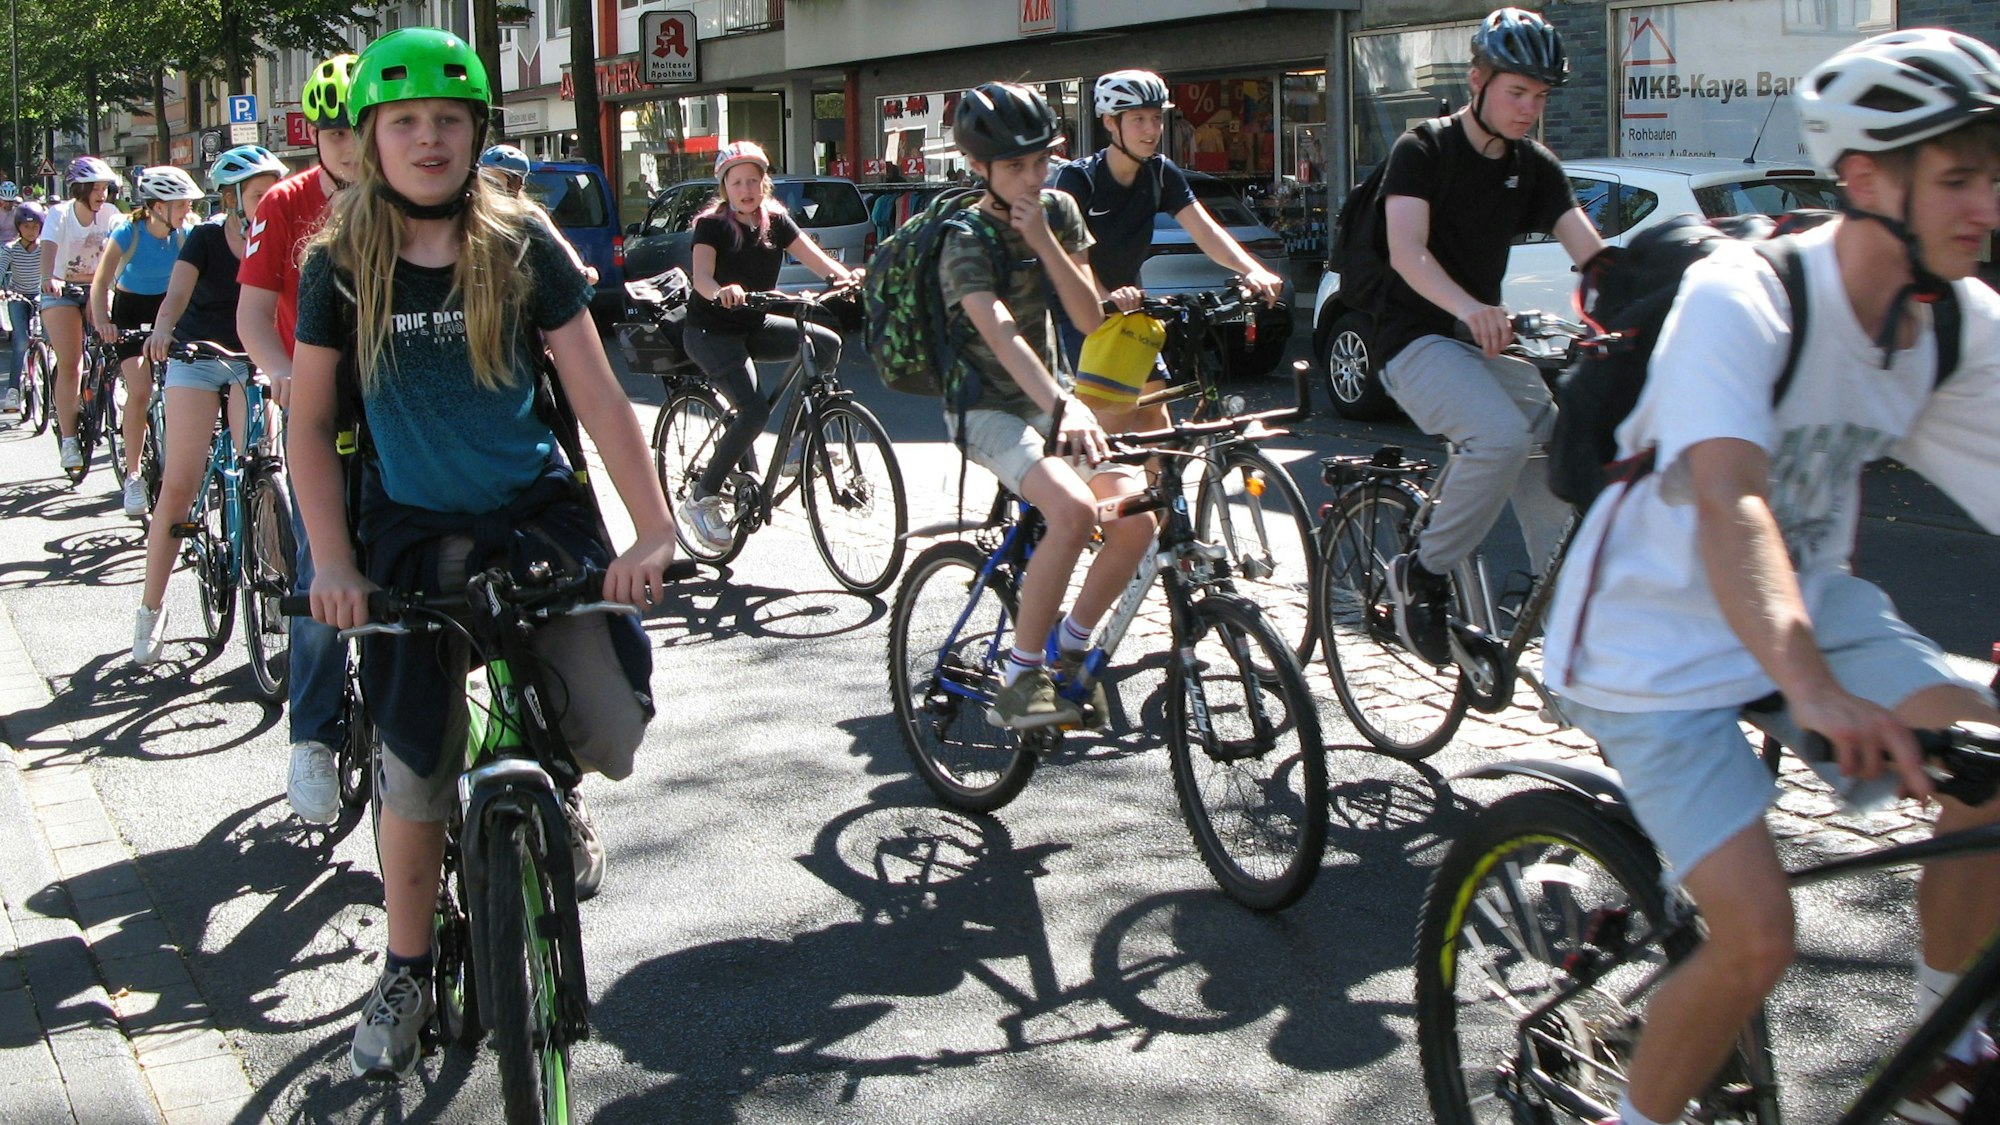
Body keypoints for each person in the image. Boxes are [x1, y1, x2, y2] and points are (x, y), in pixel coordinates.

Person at [1542, 29, 2000, 1125]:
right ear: (1865, 179)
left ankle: (1942, 1059)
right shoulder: (1747, 294)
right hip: (1649, 638)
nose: (1985, 205)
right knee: (1757, 937)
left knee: (1990, 770)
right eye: (1956, 179)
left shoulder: (1952, 325)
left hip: (1807, 607)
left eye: (1992, 176)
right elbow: (1730, 498)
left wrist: (1816, 669)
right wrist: (1811, 689)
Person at [287, 27, 675, 1082]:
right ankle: (405, 967)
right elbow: (309, 424)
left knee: (612, 730)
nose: (429, 139)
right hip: (410, 540)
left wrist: (651, 529)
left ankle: (555, 782)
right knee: (415, 777)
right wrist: (333, 563)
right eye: (405, 122)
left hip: (535, 521)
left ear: (475, 132)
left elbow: (598, 396)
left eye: (449, 121)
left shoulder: (520, 240)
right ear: (371, 138)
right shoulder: (338, 262)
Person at [1375, 7, 1603, 666]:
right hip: (1411, 338)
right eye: (1517, 91)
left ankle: (1566, 647)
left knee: (1557, 447)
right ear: (1477, 80)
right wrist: (1471, 306)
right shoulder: (1423, 150)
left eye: (1540, 96)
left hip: (1482, 345)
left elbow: (1591, 254)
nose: (1529, 108)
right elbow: (1407, 251)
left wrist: (1642, 310)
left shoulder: (1534, 167)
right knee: (1500, 438)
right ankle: (1423, 572)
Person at [940, 82, 1154, 729]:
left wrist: (1044, 240)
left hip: (1053, 398)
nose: (1033, 177)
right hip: (986, 407)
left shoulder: (1057, 210)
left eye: (1041, 161)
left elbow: (1089, 319)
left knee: (1138, 519)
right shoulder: (966, 237)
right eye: (1015, 166)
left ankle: (1070, 645)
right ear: (978, 166)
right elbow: (1000, 332)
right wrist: (1063, 405)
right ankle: (1019, 681)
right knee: (1073, 510)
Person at [238, 53, 360, 826]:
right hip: (314, 406)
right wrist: (282, 373)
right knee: (321, 570)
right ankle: (312, 737)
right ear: (314, 136)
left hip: (393, 405)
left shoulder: (406, 196)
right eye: (335, 132)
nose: (350, 146)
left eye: (359, 130)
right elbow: (253, 314)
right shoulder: (284, 204)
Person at [1050, 69, 1285, 430]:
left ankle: (1161, 471)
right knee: (1111, 424)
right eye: (1138, 119)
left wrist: (1252, 269)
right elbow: (1071, 257)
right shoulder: (1080, 179)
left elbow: (1206, 231)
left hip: (1129, 308)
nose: (1151, 129)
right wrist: (1104, 297)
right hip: (1078, 308)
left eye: (1156, 118)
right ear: (1110, 123)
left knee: (1155, 418)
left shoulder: (1160, 173)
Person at [129, 147, 290, 665]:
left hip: (254, 363)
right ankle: (151, 609)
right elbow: (175, 298)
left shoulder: (284, 234)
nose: (270, 200)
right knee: (180, 482)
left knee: (264, 470)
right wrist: (162, 331)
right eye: (259, 194)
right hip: (197, 358)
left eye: (273, 190)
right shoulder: (204, 238)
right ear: (233, 199)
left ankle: (274, 586)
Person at [677, 139, 856, 551]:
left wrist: (844, 278)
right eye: (737, 182)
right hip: (710, 332)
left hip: (754, 323)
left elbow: (817, 258)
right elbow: (701, 277)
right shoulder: (711, 225)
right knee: (754, 410)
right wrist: (721, 291)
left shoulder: (775, 221)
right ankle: (701, 498)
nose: (746, 189)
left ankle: (795, 448)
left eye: (752, 181)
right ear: (725, 187)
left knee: (825, 343)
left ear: (764, 184)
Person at [91, 165, 202, 515]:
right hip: (129, 311)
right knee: (139, 390)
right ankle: (134, 476)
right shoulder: (128, 232)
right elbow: (100, 282)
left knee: (182, 387)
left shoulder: (187, 234)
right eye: (181, 204)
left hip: (167, 310)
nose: (188, 210)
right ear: (157, 207)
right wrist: (103, 322)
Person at [39, 156, 123, 472]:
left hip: (97, 287)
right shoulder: (60, 214)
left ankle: (112, 391)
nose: (102, 194)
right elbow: (49, 248)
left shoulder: (111, 214)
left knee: (116, 346)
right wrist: (48, 277)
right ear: (80, 189)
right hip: (61, 290)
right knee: (71, 363)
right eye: (96, 188)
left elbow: (124, 243)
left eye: (106, 188)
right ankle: (69, 439)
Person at [475, 143, 599, 284]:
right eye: (483, 180)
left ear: (516, 183)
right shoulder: (473, 210)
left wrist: (581, 269)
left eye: (493, 181)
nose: (486, 187)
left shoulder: (529, 213)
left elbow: (560, 245)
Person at [0, 201, 45, 415]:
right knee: (20, 341)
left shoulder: (45, 247)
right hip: (17, 297)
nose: (31, 231)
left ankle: (51, 380)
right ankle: (13, 392)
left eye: (35, 226)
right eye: (26, 226)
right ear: (18, 227)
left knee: (50, 338)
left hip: (42, 297)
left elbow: (57, 268)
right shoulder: (10, 249)